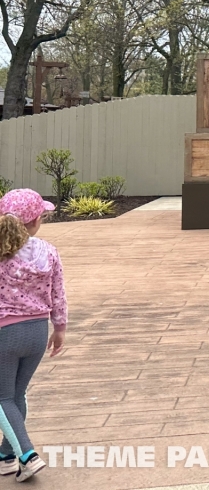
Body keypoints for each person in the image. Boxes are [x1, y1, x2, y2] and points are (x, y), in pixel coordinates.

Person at [0, 189, 67, 481]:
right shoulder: (48, 251)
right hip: (37, 333)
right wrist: (60, 328)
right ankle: (6, 456)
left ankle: (27, 455)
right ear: (36, 220)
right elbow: (58, 293)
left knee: (2, 398)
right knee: (16, 394)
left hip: (4, 334)